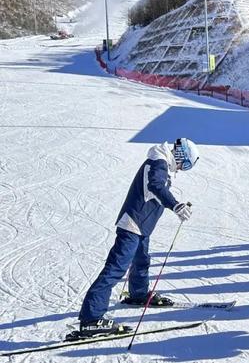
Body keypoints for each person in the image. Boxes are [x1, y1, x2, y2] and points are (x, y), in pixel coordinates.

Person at [77, 138, 199, 337]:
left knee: (142, 261)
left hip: (142, 226)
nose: (181, 169)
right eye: (185, 165)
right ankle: (91, 318)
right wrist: (175, 205)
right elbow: (155, 186)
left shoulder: (163, 164)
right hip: (133, 223)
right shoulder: (159, 162)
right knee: (115, 268)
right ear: (181, 155)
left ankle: (138, 294)